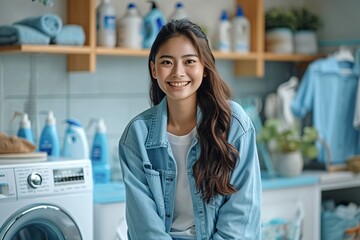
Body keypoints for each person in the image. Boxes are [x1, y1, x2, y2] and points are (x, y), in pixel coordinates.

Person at [118, 19, 261, 240]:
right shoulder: (136, 135)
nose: (178, 72)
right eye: (167, 62)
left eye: (189, 61)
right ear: (154, 69)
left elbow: (241, 220)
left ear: (204, 68)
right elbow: (144, 227)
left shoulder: (234, 123)